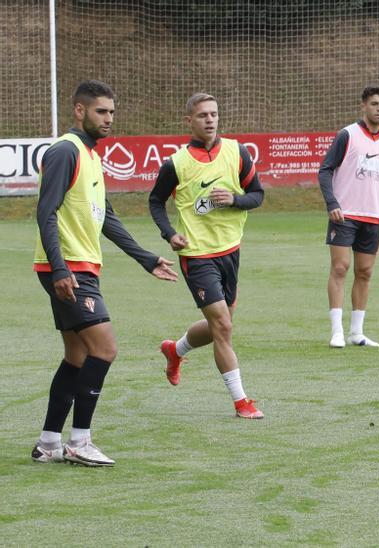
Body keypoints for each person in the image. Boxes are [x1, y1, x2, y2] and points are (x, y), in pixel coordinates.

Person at [31, 80, 179, 466]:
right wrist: (61, 268)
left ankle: (49, 442)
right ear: (80, 111)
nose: (109, 118)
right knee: (105, 349)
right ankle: (79, 441)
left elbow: (106, 217)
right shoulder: (65, 151)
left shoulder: (91, 156)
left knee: (78, 355)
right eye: (101, 111)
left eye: (112, 112)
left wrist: (145, 258)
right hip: (68, 268)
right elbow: (45, 213)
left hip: (78, 266)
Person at [150, 92, 266, 419]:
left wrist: (234, 199)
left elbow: (257, 195)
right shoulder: (176, 163)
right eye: (203, 115)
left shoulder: (236, 151)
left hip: (231, 250)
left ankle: (176, 350)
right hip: (197, 255)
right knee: (224, 327)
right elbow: (155, 202)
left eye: (214, 114)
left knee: (220, 324)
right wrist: (169, 233)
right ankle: (242, 401)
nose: (210, 120)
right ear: (189, 121)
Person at [318, 86, 379, 348]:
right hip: (345, 214)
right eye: (375, 104)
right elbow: (325, 171)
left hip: (374, 215)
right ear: (363, 106)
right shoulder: (347, 135)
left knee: (365, 272)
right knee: (340, 267)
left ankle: (357, 332)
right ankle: (336, 331)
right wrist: (332, 203)